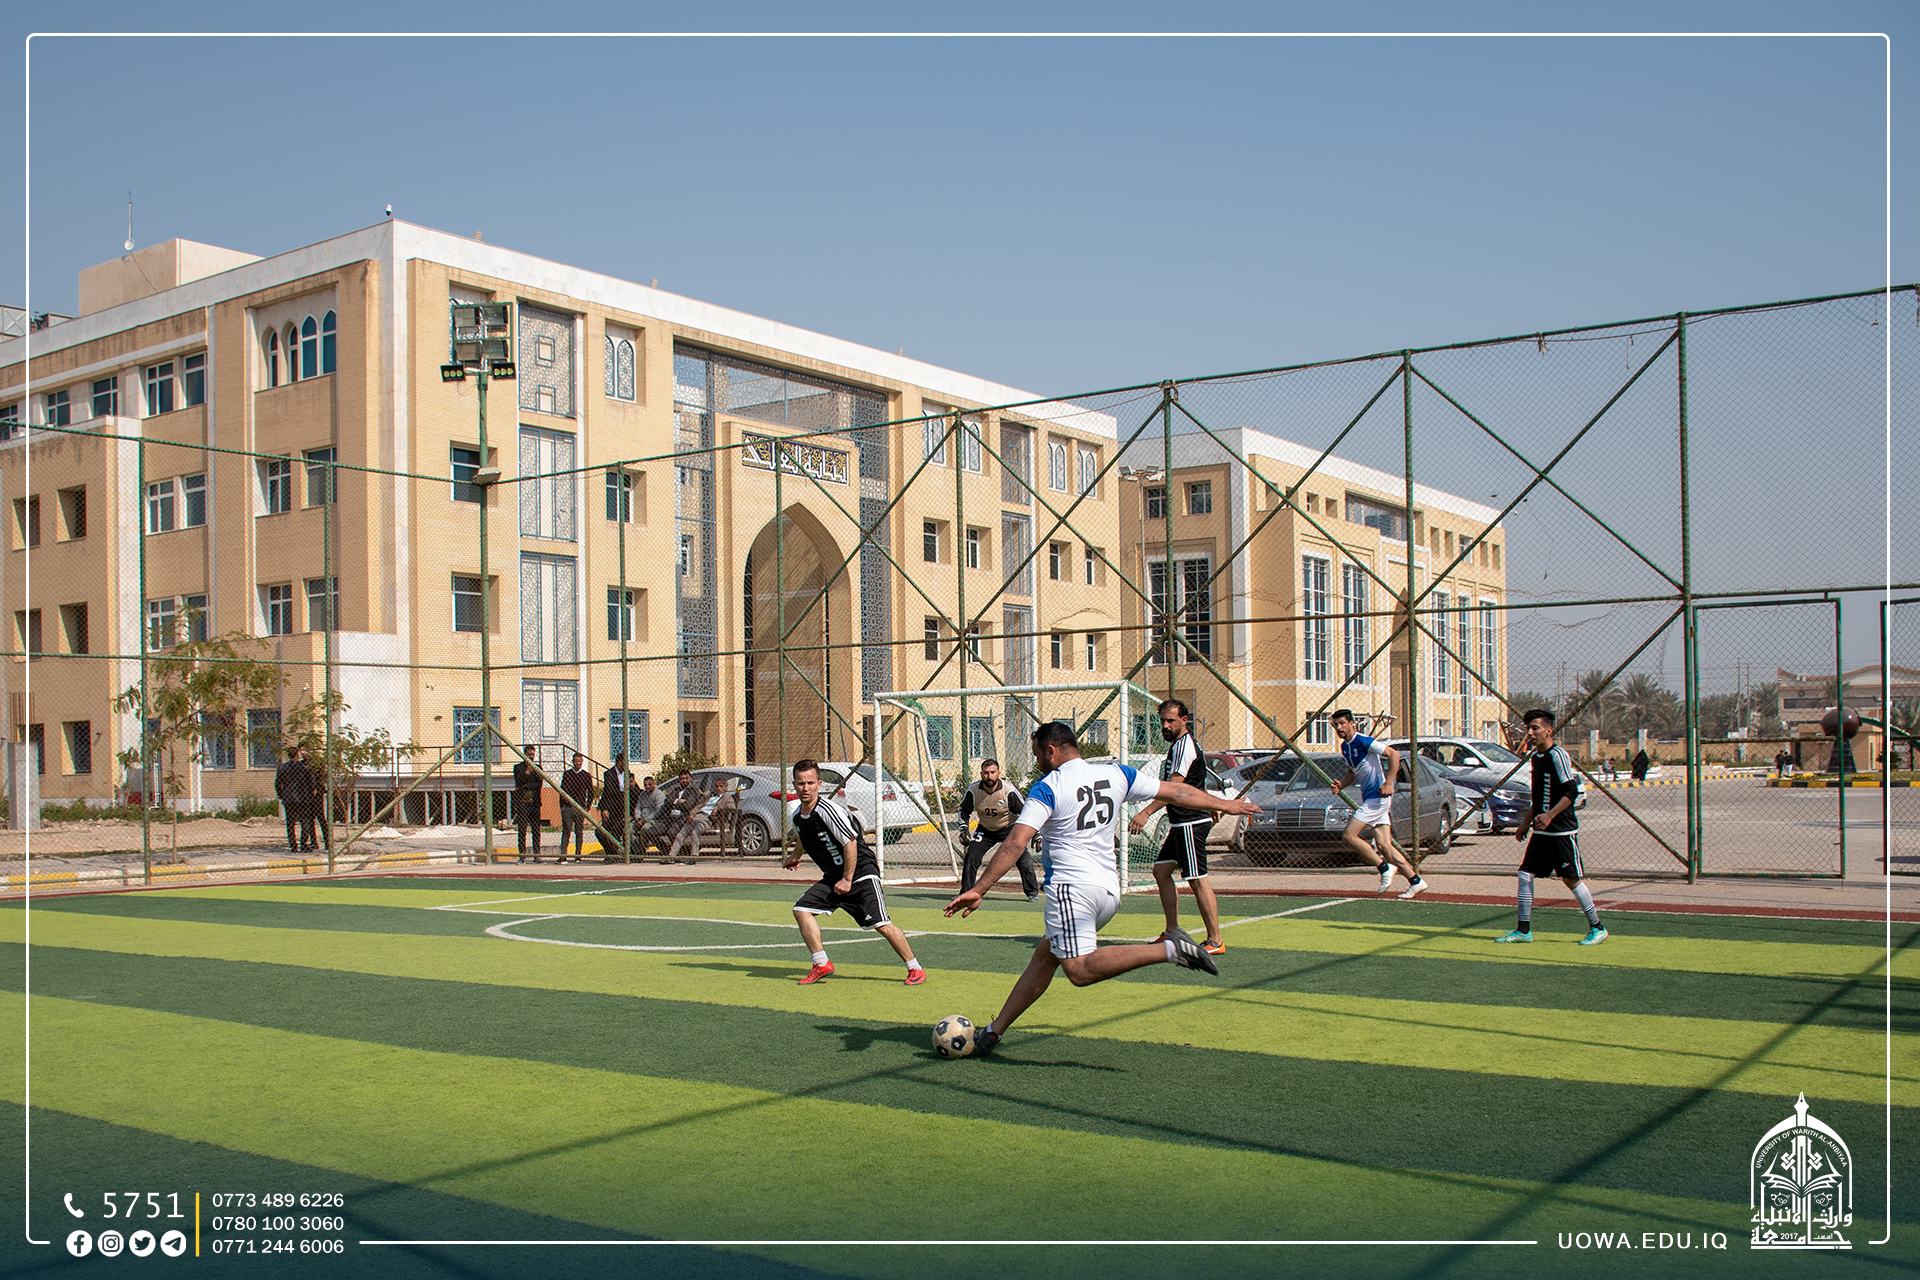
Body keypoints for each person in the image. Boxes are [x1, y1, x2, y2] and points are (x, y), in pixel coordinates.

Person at [943, 721, 1261, 1054]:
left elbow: (1015, 842)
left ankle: (1172, 949)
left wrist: (979, 889)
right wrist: (1224, 804)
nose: (1038, 762)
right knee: (1045, 957)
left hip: (1072, 890)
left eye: (1038, 755)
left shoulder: (1048, 787)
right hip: (1108, 892)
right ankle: (993, 1033)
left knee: (1079, 970)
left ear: (1051, 751)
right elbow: (1177, 791)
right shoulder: (1116, 773)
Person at [782, 759, 926, 986]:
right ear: (794, 785)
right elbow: (802, 837)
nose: (805, 788)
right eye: (801, 783)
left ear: (819, 784)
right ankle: (821, 963)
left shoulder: (828, 811)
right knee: (801, 910)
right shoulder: (798, 816)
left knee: (882, 924)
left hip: (860, 873)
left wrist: (848, 879)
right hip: (835, 878)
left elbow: (850, 842)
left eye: (810, 783)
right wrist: (795, 856)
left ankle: (915, 968)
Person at [1497, 708, 1607, 946]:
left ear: (1549, 731)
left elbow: (1571, 790)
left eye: (1535, 728)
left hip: (1561, 832)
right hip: (1541, 832)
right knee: (1524, 875)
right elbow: (1539, 795)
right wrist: (1525, 822)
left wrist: (1550, 815)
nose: (1530, 733)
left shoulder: (1558, 755)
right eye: (1528, 728)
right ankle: (1523, 930)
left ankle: (1598, 927)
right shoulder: (1536, 757)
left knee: (1570, 880)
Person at [1126, 699, 1225, 955]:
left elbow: (1175, 790)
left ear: (1184, 720)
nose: (1165, 726)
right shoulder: (1180, 745)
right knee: (1161, 871)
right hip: (1181, 823)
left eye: (1171, 720)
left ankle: (1215, 940)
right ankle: (1172, 931)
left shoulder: (1183, 747)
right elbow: (1195, 781)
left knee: (1197, 880)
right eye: (1162, 721)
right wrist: (1210, 802)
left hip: (1190, 823)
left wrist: (1145, 812)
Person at [1328, 709, 1428, 899]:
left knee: (1349, 836)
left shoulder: (1364, 741)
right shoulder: (1345, 747)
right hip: (1371, 799)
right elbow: (1351, 773)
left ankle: (1384, 867)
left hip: (1378, 798)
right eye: (1336, 724)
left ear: (1352, 723)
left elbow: (1393, 754)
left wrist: (1389, 783)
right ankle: (1415, 881)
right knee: (1384, 846)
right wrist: (1341, 785)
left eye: (1342, 723)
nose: (1339, 727)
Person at [958, 759, 1037, 899]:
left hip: (1009, 829)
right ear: (981, 774)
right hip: (985, 829)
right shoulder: (973, 790)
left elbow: (1026, 812)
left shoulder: (1009, 791)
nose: (989, 776)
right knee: (971, 856)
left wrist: (1035, 833)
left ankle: (1032, 892)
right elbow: (963, 810)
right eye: (986, 773)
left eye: (993, 772)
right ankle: (965, 893)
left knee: (1023, 857)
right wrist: (964, 829)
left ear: (999, 773)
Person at [666, 777, 730, 862]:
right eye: (717, 786)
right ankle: (671, 857)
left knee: (695, 832)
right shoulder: (708, 795)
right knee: (681, 834)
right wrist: (691, 815)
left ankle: (694, 856)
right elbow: (699, 806)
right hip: (697, 817)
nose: (718, 788)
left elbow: (731, 806)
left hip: (707, 819)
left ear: (725, 787)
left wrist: (718, 808)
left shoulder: (727, 797)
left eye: (721, 786)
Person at [275, 744, 319, 853]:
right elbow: (312, 782)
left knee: (290, 823)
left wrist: (282, 795)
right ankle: (304, 844)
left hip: (289, 798)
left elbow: (277, 784)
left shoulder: (282, 767)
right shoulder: (304, 767)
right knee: (305, 821)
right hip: (303, 798)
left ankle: (293, 845)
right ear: (297, 755)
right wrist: (311, 794)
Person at [658, 770, 705, 864]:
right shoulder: (676, 790)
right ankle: (670, 853)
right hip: (670, 818)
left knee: (672, 832)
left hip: (683, 818)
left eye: (686, 778)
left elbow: (688, 805)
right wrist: (678, 801)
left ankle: (676, 855)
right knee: (651, 831)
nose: (684, 780)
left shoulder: (694, 790)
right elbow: (667, 801)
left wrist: (674, 802)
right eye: (682, 779)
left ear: (690, 778)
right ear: (679, 779)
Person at [558, 752, 595, 863]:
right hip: (568, 807)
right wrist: (562, 806)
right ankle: (563, 856)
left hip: (580, 807)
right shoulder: (567, 774)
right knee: (566, 831)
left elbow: (591, 792)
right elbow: (562, 790)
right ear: (573, 762)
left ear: (582, 762)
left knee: (579, 832)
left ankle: (578, 856)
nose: (578, 763)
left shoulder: (586, 775)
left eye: (579, 761)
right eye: (576, 761)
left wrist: (587, 807)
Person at [513, 745, 543, 863]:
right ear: (524, 754)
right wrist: (527, 772)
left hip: (534, 803)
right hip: (523, 803)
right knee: (522, 830)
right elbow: (518, 781)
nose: (531, 757)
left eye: (532, 755)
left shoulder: (538, 768)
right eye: (529, 754)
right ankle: (522, 855)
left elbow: (538, 785)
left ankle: (537, 854)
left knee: (536, 830)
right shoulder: (518, 768)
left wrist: (525, 785)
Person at [599, 754, 632, 858]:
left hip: (622, 811)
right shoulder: (609, 774)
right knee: (600, 832)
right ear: (619, 762)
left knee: (616, 831)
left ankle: (615, 855)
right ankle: (611, 853)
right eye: (624, 762)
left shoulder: (628, 774)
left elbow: (631, 790)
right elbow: (610, 791)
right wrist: (604, 809)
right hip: (611, 809)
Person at [630, 774, 663, 857]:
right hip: (640, 819)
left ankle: (641, 848)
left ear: (654, 784)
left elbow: (658, 812)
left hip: (654, 820)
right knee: (628, 830)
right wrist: (638, 818)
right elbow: (638, 808)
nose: (647, 787)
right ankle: (639, 851)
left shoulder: (659, 795)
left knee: (645, 829)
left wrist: (645, 820)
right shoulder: (642, 795)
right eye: (645, 785)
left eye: (649, 784)